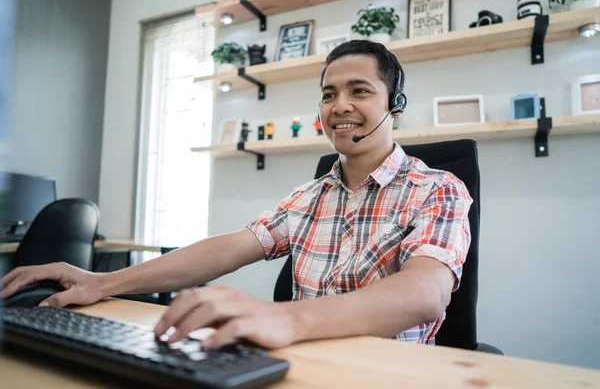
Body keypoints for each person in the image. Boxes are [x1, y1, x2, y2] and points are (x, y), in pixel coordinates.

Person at [0, 40, 472, 351]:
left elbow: (424, 294)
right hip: (303, 366)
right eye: (328, 94)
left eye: (359, 91)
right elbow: (226, 248)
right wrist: (101, 282)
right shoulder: (309, 197)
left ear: (395, 106)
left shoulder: (438, 189)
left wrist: (283, 320)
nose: (340, 105)